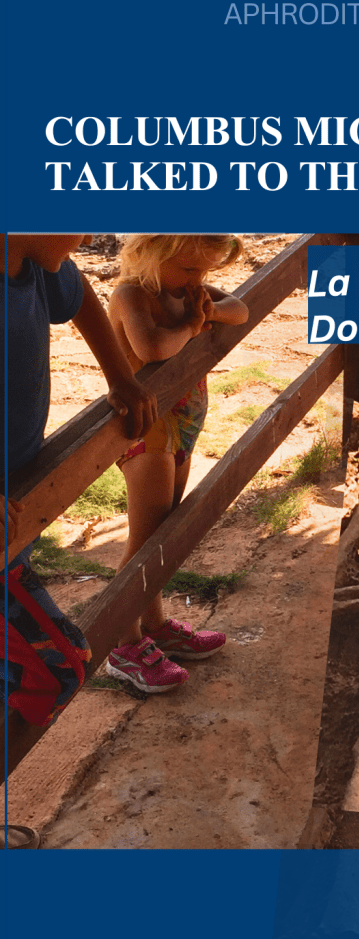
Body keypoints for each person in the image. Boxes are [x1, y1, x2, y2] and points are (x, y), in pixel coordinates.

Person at [1, 233, 157, 848]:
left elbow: (83, 297)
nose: (86, 233)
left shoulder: (40, 267)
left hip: (17, 513)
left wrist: (121, 378)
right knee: (56, 667)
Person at [106, 234, 248, 693]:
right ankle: (121, 641)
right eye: (189, 270)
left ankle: (154, 624)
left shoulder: (185, 292)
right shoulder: (131, 294)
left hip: (182, 424)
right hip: (147, 429)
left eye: (205, 272)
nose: (199, 280)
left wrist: (205, 307)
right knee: (144, 538)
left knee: (163, 531)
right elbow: (150, 348)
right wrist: (192, 326)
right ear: (152, 253)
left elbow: (240, 310)